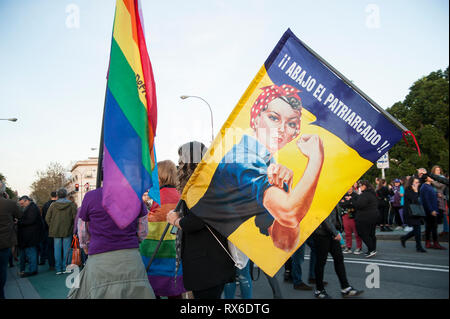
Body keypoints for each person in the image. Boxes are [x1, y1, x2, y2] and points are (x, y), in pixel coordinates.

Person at [188, 84, 324, 252]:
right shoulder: (242, 160)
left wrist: (284, 191)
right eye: (274, 118)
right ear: (256, 118)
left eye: (291, 124)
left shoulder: (268, 163)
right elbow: (289, 213)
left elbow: (284, 242)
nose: (281, 130)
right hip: (201, 246)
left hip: (219, 252)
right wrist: (316, 159)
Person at [166, 141, 235, 299]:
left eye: (182, 159)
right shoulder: (211, 182)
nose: (179, 164)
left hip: (207, 265)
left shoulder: (203, 185)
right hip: (211, 262)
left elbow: (196, 221)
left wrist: (175, 220)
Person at [67, 187, 154, 299]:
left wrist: (85, 246)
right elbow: (143, 230)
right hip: (130, 258)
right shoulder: (135, 196)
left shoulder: (90, 196)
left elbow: (82, 229)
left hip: (100, 259)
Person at [140, 160, 186, 299]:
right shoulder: (181, 195)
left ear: (160, 176)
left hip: (155, 254)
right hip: (176, 254)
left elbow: (149, 223)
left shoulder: (157, 196)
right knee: (175, 292)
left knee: (154, 291)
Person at [313, 206, 363, 299]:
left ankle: (345, 287)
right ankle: (319, 290)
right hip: (321, 234)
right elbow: (323, 217)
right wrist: (335, 233)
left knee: (339, 259)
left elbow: (335, 214)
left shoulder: (333, 195)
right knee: (321, 262)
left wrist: (338, 230)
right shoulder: (322, 197)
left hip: (333, 233)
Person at [45, 188, 77, 275]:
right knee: (67, 250)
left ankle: (58, 268)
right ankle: (66, 266)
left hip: (56, 230)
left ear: (57, 195)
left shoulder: (53, 205)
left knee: (57, 250)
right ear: (66, 195)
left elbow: (47, 218)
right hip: (68, 229)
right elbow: (75, 218)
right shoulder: (71, 205)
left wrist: (52, 225)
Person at [0, 181, 22, 298]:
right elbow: (19, 214)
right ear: (3, 191)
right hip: (4, 242)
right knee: (2, 270)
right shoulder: (8, 203)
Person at [17, 196, 43, 277]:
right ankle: (30, 269)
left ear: (26, 201)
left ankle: (33, 270)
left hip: (30, 235)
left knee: (31, 253)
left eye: (22, 203)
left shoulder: (32, 208)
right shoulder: (32, 207)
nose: (21, 205)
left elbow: (30, 220)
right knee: (30, 252)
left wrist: (19, 222)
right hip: (29, 235)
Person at [420, 174, 446, 250]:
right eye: (430, 177)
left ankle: (428, 243)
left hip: (433, 208)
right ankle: (435, 243)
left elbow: (430, 196)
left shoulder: (429, 186)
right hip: (430, 210)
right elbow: (426, 200)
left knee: (430, 227)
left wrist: (436, 194)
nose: (432, 178)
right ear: (426, 179)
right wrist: (431, 210)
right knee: (433, 227)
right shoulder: (424, 187)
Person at [400, 177, 426, 252]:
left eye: (418, 182)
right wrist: (415, 191)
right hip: (410, 213)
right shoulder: (408, 189)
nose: (417, 184)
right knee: (417, 229)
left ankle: (404, 238)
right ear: (412, 182)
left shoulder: (417, 189)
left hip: (416, 212)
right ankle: (419, 247)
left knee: (417, 229)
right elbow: (414, 200)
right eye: (415, 182)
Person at [354, 180, 379, 258]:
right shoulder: (372, 193)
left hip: (365, 217)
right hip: (373, 216)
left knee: (363, 233)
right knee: (371, 234)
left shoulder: (365, 195)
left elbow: (359, 205)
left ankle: (371, 249)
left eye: (360, 186)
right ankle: (372, 249)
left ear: (364, 186)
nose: (359, 187)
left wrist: (354, 202)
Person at [339, 187, 362, 255]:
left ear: (352, 188)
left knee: (356, 233)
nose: (349, 188)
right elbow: (341, 204)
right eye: (347, 187)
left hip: (353, 216)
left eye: (350, 187)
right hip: (345, 215)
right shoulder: (343, 195)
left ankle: (359, 247)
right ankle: (348, 247)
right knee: (347, 233)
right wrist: (349, 202)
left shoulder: (356, 195)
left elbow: (356, 205)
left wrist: (349, 201)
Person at [39, 191, 57, 270]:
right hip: (58, 229)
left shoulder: (46, 205)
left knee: (50, 247)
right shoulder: (58, 204)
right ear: (57, 196)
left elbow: (43, 218)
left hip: (48, 229)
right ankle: (60, 263)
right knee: (59, 247)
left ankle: (51, 264)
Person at [430, 166, 448, 239]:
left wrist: (432, 181)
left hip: (441, 197)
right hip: (433, 197)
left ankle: (446, 230)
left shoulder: (442, 178)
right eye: (437, 170)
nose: (438, 171)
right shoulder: (432, 177)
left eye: (439, 170)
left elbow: (440, 185)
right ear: (433, 171)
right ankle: (432, 230)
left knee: (444, 213)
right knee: (433, 214)